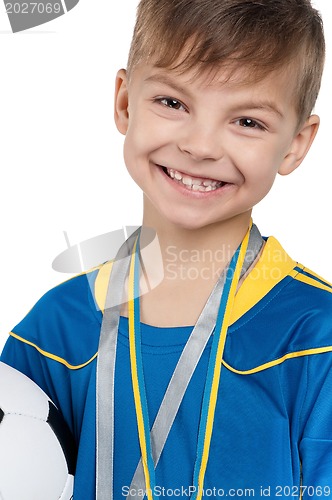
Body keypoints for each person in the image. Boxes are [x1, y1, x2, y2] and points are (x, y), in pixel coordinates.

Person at [1, 0, 331, 498]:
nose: (200, 146)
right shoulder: (53, 335)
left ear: (296, 145)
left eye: (247, 121)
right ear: (124, 102)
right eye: (173, 103)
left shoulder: (317, 342)